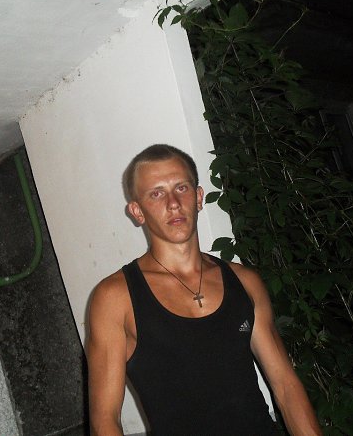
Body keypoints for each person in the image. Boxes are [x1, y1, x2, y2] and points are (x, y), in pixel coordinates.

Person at [87, 144, 322, 436]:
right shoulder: (115, 297)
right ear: (138, 212)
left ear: (198, 197)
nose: (173, 203)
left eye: (181, 188)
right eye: (157, 194)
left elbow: (285, 385)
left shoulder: (244, 281)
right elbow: (104, 420)